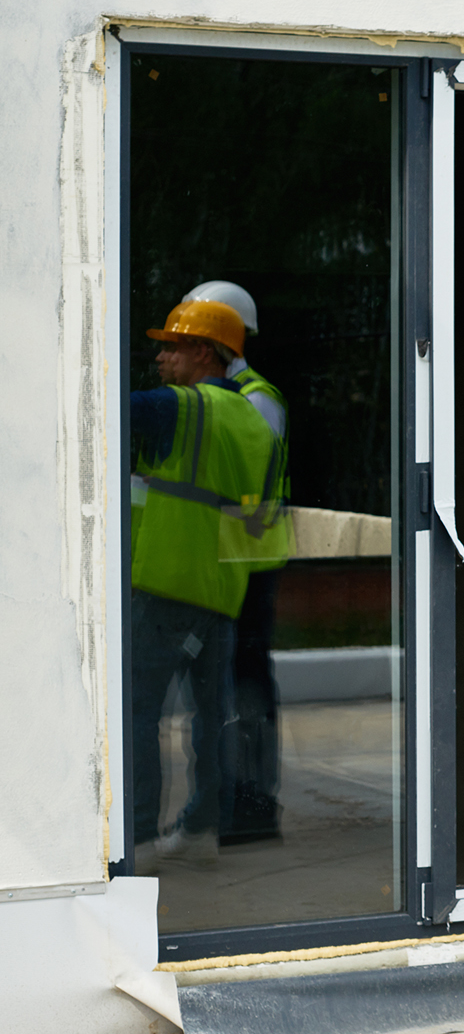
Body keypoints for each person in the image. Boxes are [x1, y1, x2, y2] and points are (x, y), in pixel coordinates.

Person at [129, 299, 280, 873]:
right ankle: (203, 825)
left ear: (203, 352)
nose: (161, 357)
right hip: (221, 590)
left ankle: (138, 835)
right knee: (209, 715)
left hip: (166, 582)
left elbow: (107, 402)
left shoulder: (182, 408)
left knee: (139, 714)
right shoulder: (253, 418)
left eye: (171, 346)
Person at [182, 281, 292, 844]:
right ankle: (227, 798)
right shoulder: (221, 394)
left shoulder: (256, 399)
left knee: (246, 682)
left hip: (250, 565)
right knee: (219, 684)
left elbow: (245, 482)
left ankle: (253, 804)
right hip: (224, 564)